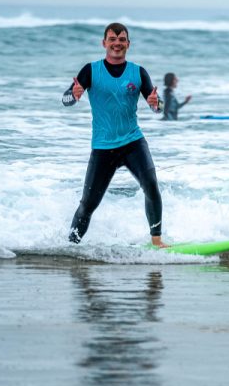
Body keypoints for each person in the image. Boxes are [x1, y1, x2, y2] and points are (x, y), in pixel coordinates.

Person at [62, 22, 168, 248]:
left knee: (151, 185)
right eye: (112, 39)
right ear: (104, 43)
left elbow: (158, 106)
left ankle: (157, 241)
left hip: (133, 143)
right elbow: (66, 100)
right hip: (102, 147)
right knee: (88, 204)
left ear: (128, 44)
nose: (117, 44)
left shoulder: (138, 72)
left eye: (121, 40)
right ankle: (71, 246)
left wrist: (155, 103)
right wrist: (74, 95)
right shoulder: (91, 70)